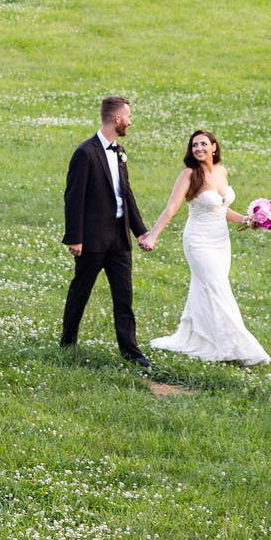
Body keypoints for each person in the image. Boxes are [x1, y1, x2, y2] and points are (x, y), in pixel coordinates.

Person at [142, 129, 271, 365]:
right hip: (198, 242)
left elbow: (222, 210)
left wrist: (246, 219)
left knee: (206, 289)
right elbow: (171, 208)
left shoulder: (222, 171)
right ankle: (238, 347)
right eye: (194, 145)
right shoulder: (189, 174)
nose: (198, 148)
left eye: (203, 144)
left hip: (221, 243)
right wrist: (152, 236)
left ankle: (201, 337)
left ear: (214, 147)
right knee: (218, 289)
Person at [61, 94, 154, 363]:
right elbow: (73, 197)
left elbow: (127, 194)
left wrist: (140, 231)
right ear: (117, 119)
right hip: (91, 240)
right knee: (80, 292)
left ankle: (131, 352)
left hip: (119, 238)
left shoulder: (119, 151)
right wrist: (75, 237)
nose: (130, 122)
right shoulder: (85, 152)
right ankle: (68, 343)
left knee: (124, 297)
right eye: (128, 117)